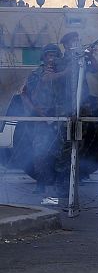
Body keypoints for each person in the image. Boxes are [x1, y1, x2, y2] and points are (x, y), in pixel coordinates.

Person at [21, 44, 70, 194]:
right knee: (40, 152)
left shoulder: (65, 74)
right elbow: (29, 96)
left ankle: (61, 185)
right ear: (43, 57)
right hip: (42, 118)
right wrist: (43, 81)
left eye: (54, 55)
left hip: (61, 116)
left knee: (63, 152)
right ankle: (40, 184)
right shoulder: (36, 74)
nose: (51, 59)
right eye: (48, 55)